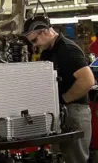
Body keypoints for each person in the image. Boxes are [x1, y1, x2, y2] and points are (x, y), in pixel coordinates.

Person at [23, 15, 95, 162]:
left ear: (45, 31)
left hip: (74, 112)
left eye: (34, 40)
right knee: (59, 156)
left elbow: (87, 80)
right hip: (61, 112)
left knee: (75, 158)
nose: (34, 45)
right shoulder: (49, 51)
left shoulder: (67, 49)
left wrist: (63, 100)